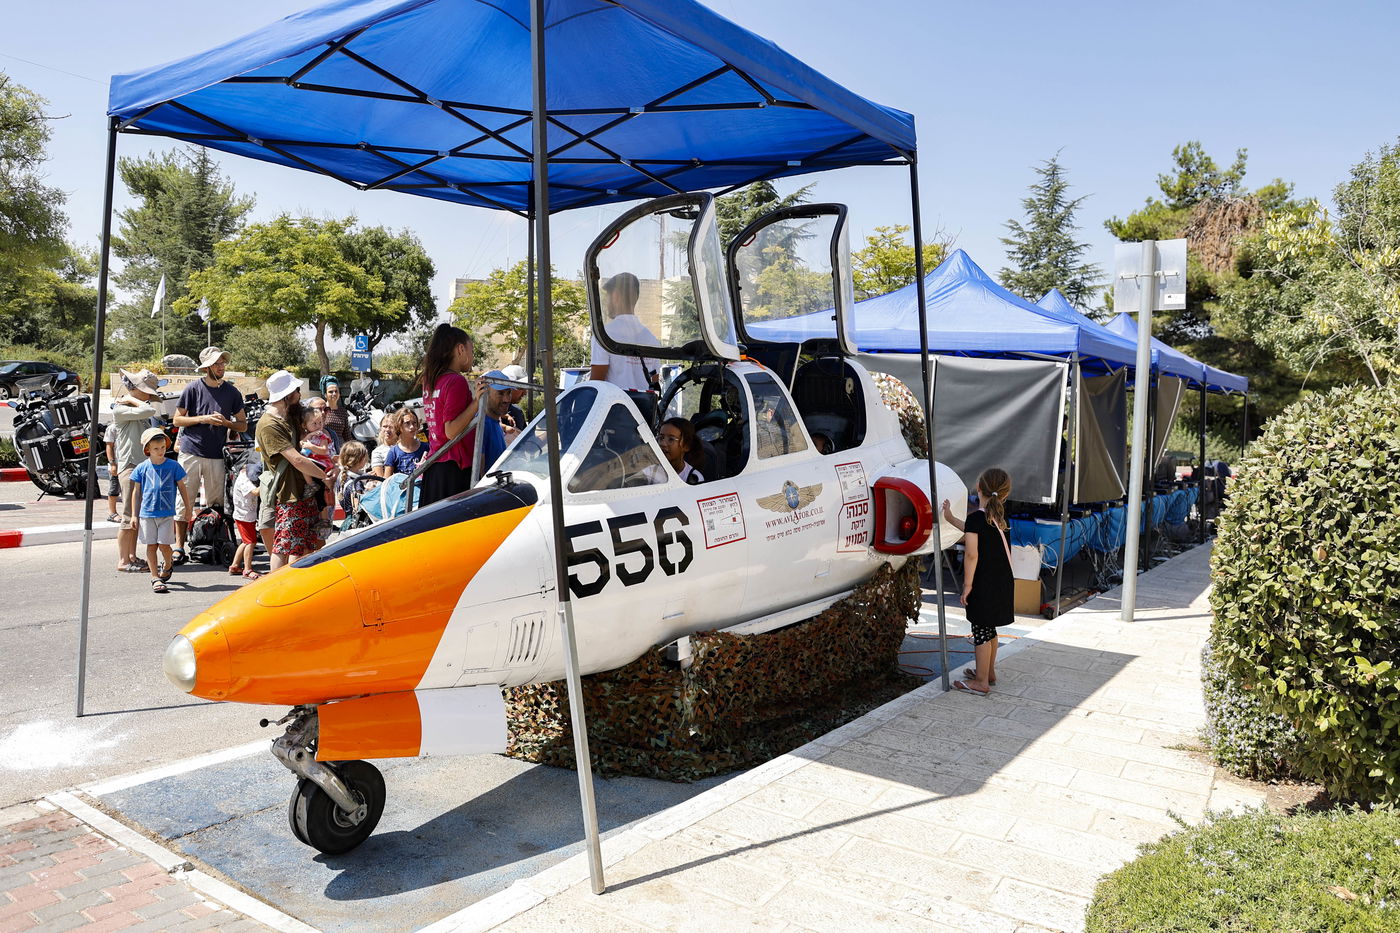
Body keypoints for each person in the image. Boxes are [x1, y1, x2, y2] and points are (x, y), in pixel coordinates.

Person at [943, 467, 1015, 696]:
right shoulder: (1000, 518)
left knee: (981, 630)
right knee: (989, 629)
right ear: (1004, 494)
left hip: (984, 583)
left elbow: (972, 554)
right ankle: (989, 673)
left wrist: (967, 586)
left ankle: (981, 682)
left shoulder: (977, 518)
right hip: (1002, 582)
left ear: (979, 488)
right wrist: (951, 519)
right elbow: (975, 530)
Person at [173, 346, 247, 561]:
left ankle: (212, 544)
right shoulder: (192, 388)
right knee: (184, 500)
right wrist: (203, 419)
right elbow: (177, 420)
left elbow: (242, 425)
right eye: (217, 363)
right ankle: (179, 547)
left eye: (223, 362)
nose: (221, 366)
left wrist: (226, 423)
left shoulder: (232, 392)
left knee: (216, 503)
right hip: (191, 452)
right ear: (207, 367)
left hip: (217, 454)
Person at [255, 369, 330, 571]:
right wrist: (325, 476)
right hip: (290, 494)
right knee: (286, 546)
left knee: (306, 544)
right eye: (296, 390)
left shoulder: (290, 413)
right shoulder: (269, 424)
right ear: (287, 395)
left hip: (304, 491)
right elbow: (296, 460)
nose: (299, 394)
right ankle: (279, 589)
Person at [419, 324, 485, 506]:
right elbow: (451, 431)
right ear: (460, 349)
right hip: (453, 469)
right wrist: (476, 402)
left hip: (435, 467)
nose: (472, 356)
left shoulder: (431, 380)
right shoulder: (456, 381)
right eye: (471, 350)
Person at [112, 368, 166, 573]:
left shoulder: (132, 406)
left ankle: (132, 556)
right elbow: (148, 411)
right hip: (129, 466)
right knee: (127, 515)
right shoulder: (122, 409)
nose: (149, 396)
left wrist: (133, 400)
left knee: (136, 515)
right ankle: (123, 560)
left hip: (141, 467)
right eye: (147, 391)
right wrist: (132, 399)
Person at [129, 427, 192, 594]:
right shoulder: (141, 468)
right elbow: (137, 492)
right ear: (148, 450)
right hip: (146, 514)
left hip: (166, 514)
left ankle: (168, 564)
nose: (160, 451)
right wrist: (134, 515)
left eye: (163, 447)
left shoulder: (173, 466)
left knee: (165, 546)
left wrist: (188, 508)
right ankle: (155, 577)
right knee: (151, 546)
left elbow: (182, 488)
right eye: (156, 449)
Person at [589, 272, 660, 392]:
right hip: (642, 410)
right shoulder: (652, 340)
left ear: (616, 296)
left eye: (607, 298)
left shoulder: (603, 336)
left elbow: (596, 386)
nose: (606, 304)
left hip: (615, 408)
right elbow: (654, 384)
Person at [229, 456, 261, 580]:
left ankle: (235, 565)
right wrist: (268, 481)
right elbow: (256, 492)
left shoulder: (246, 477)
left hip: (247, 514)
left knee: (245, 541)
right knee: (250, 542)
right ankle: (247, 569)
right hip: (244, 516)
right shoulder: (244, 479)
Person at [657, 417, 705, 484]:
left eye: (671, 439)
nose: (663, 444)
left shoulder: (694, 478)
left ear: (686, 446)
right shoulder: (650, 471)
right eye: (661, 438)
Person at [383, 408, 428, 478]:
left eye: (414, 423)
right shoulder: (393, 452)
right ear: (399, 426)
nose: (412, 426)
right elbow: (386, 481)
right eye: (407, 423)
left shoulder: (426, 447)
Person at [320, 376, 349, 448]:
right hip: (324, 445)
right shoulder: (321, 410)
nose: (334, 394)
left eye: (336, 391)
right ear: (325, 394)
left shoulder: (343, 411)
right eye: (330, 392)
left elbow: (346, 434)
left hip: (340, 447)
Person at [500, 363, 530, 432]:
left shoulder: (517, 412)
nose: (525, 393)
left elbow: (527, 441)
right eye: (521, 388)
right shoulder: (487, 412)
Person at [103, 420, 121, 523]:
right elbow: (109, 446)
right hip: (117, 464)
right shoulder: (112, 428)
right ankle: (112, 513)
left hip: (128, 463)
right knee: (114, 488)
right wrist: (113, 463)